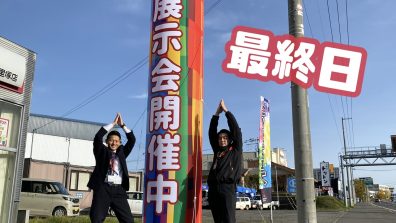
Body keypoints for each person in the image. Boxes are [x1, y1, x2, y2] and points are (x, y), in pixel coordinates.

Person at [87, 113, 135, 223]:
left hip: (119, 190)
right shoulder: (101, 152)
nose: (114, 143)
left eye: (117, 141)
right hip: (103, 189)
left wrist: (122, 125)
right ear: (107, 141)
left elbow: (132, 140)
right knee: (96, 219)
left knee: (128, 221)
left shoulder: (122, 153)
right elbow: (98, 137)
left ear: (120, 143)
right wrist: (113, 124)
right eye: (111, 140)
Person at [207, 99, 243, 223]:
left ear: (230, 139)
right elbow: (211, 133)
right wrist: (216, 114)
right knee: (218, 220)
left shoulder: (235, 149)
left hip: (228, 189)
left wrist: (226, 112)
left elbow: (236, 130)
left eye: (225, 137)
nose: (222, 140)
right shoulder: (217, 151)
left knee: (228, 219)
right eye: (220, 138)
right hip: (213, 189)